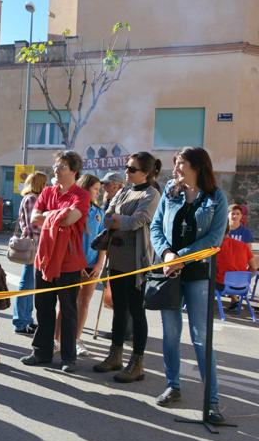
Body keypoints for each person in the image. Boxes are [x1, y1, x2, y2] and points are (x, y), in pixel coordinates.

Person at [150, 146, 228, 424]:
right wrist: (167, 254)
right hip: (169, 273)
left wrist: (179, 257)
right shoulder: (170, 193)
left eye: (181, 163)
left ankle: (213, 401)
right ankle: (173, 385)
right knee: (170, 333)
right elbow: (156, 228)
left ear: (197, 166)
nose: (176, 168)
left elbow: (214, 240)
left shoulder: (216, 198)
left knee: (201, 337)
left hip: (198, 274)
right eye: (176, 163)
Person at [94, 152, 161, 382]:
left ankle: (137, 362)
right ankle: (115, 355)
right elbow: (107, 216)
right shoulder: (124, 190)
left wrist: (117, 219)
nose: (127, 171)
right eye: (127, 167)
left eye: (132, 169)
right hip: (117, 259)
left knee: (136, 311)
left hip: (136, 263)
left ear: (146, 172)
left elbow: (138, 221)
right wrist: (118, 219)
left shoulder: (151, 194)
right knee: (119, 309)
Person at [21, 150, 90, 373]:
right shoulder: (48, 191)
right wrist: (59, 214)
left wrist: (50, 215)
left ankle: (69, 357)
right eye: (56, 166)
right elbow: (34, 219)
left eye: (61, 167)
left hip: (69, 262)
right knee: (43, 307)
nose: (56, 170)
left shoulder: (81, 194)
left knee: (68, 311)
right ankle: (41, 352)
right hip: (44, 258)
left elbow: (72, 218)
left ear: (74, 171)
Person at [55, 174, 106, 358]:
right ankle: (57, 339)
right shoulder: (75, 209)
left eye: (99, 190)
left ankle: (76, 339)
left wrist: (99, 263)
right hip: (73, 264)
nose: (98, 193)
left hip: (92, 265)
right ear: (85, 189)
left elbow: (103, 241)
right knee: (66, 303)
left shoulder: (99, 213)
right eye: (95, 189)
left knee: (84, 302)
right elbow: (68, 237)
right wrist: (78, 261)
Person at [12, 172, 48, 335]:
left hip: (34, 243)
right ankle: (21, 322)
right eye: (45, 183)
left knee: (30, 284)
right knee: (27, 284)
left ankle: (26, 319)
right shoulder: (33, 198)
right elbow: (34, 224)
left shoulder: (29, 197)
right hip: (34, 243)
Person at [216, 225, 257, 310]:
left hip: (222, 286)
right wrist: (243, 278)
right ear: (229, 231)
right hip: (242, 287)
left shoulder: (216, 247)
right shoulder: (243, 245)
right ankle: (235, 300)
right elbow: (254, 267)